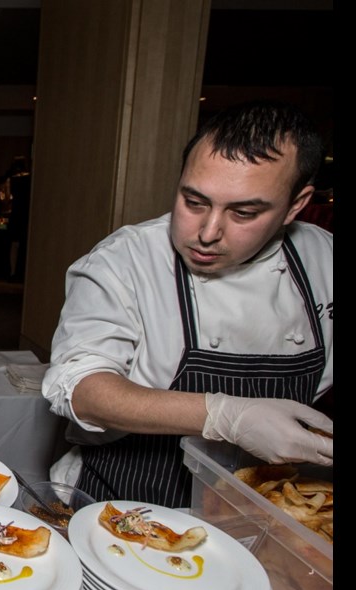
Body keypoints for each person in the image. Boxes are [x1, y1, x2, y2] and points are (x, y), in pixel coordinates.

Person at [42, 101, 333, 508]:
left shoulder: (324, 258)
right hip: (129, 496)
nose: (207, 232)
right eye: (194, 202)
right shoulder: (125, 260)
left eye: (244, 212)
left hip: (262, 505)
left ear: (297, 205)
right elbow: (81, 389)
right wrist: (227, 416)